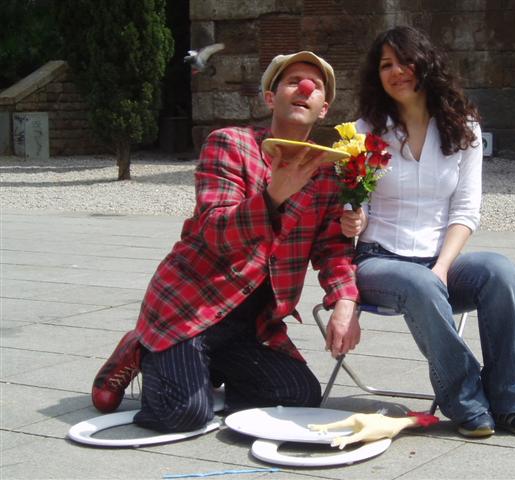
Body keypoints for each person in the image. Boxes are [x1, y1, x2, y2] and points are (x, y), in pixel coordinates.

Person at [91, 51, 361, 432]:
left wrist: (345, 302)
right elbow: (214, 231)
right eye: (292, 82)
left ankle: (199, 369)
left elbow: (333, 250)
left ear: (324, 109)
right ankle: (142, 346)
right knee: (184, 414)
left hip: (249, 326)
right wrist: (272, 196)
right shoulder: (230, 144)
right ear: (270, 98)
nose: (304, 88)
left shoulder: (327, 176)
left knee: (299, 394)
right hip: (189, 309)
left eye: (315, 86)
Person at [340, 26, 515, 438]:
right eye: (386, 65)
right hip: (379, 261)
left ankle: (512, 401)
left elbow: (466, 210)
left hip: (439, 261)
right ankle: (467, 400)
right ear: (376, 75)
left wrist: (442, 266)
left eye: (405, 61)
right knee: (419, 283)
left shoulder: (462, 127)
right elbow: (355, 206)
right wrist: (353, 219)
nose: (397, 71)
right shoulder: (363, 132)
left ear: (425, 65)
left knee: (500, 271)